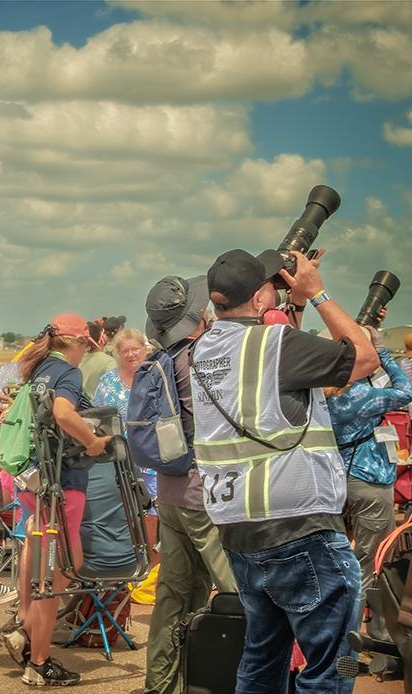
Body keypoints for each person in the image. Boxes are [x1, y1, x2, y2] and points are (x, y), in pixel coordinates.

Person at [190, 248, 379, 693]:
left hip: (240, 530)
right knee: (336, 663)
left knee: (262, 656)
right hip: (302, 530)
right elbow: (364, 357)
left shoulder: (204, 350)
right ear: (259, 300)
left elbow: (275, 394)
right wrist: (316, 293)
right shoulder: (274, 345)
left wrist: (285, 306)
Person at [140, 276, 237, 694]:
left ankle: (162, 685)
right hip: (204, 495)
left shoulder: (160, 359)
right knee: (238, 592)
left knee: (173, 598)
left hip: (170, 492)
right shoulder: (201, 358)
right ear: (197, 316)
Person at [3, 313, 112, 687]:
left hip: (36, 482)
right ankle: (37, 657)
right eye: (85, 345)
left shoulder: (38, 369)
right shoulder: (68, 372)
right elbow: (64, 413)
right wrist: (92, 441)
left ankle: (23, 623)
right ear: (78, 343)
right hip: (63, 484)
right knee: (60, 568)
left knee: (40, 557)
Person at [327, 334, 412, 642]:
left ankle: (341, 629)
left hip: (338, 480)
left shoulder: (326, 395)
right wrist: (384, 357)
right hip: (370, 481)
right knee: (373, 560)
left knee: (341, 560)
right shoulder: (362, 397)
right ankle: (368, 635)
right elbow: (406, 390)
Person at [93, 327, 159, 562]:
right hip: (119, 460)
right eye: (125, 351)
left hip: (151, 459)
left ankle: (150, 566)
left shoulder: (154, 376)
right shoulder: (108, 382)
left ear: (145, 349)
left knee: (153, 512)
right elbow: (97, 418)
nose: (131, 355)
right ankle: (127, 560)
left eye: (135, 349)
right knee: (124, 512)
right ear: (117, 354)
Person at [79, 320, 116, 399]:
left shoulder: (76, 360)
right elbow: (116, 390)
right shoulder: (108, 362)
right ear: (101, 337)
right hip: (98, 409)